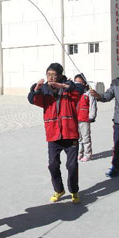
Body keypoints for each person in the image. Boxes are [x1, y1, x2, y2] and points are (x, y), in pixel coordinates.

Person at [28, 63, 83, 204]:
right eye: (48, 75)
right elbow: (33, 99)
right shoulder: (44, 90)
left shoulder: (69, 86)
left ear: (60, 75)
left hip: (70, 134)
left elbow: (80, 89)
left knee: (72, 166)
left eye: (54, 75)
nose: (51, 77)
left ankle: (74, 190)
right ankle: (59, 190)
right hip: (53, 134)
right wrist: (36, 90)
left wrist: (63, 86)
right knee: (53, 164)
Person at [74, 74, 97, 162]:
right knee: (77, 138)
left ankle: (88, 154)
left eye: (80, 82)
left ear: (84, 83)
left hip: (84, 119)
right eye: (76, 82)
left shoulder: (88, 93)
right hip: (75, 118)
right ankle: (79, 153)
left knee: (85, 137)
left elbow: (92, 105)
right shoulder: (74, 93)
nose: (78, 84)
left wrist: (92, 116)